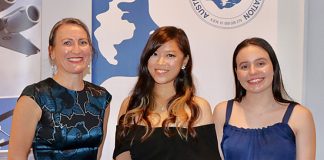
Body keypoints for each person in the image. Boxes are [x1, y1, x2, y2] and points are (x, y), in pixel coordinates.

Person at [8, 18, 111, 160]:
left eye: (83, 42)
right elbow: (16, 157)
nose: (76, 49)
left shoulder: (101, 98)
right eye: (67, 43)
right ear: (52, 51)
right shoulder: (34, 97)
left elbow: (97, 153)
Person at [113, 26, 221, 160]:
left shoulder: (198, 108)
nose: (160, 62)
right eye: (154, 54)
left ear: (185, 61)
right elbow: (122, 155)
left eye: (170, 55)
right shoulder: (130, 105)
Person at [213, 37, 316, 160]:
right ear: (237, 72)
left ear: (274, 67)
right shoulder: (222, 112)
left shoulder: (300, 116)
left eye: (260, 63)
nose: (252, 71)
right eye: (244, 66)